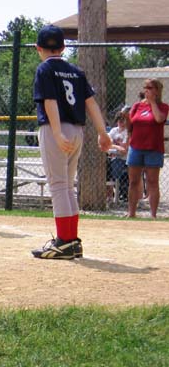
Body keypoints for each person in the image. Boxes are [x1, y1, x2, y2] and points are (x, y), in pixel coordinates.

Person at [31, 25, 111, 260]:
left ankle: (64, 242)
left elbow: (50, 101)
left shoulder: (44, 68)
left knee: (58, 186)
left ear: (39, 48)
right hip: (77, 130)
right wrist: (102, 132)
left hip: (56, 128)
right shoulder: (76, 71)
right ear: (63, 48)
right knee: (67, 186)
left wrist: (56, 133)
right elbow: (92, 103)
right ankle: (72, 240)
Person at [126, 78, 169, 218]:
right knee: (133, 181)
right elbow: (130, 126)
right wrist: (128, 140)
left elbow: (159, 119)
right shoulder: (137, 106)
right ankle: (131, 213)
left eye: (150, 88)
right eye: (145, 87)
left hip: (153, 148)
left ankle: (153, 215)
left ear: (156, 90)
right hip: (136, 147)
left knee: (152, 182)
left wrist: (151, 103)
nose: (146, 90)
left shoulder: (163, 106)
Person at [106, 108, 129, 203]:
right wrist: (117, 146)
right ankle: (110, 196)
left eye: (123, 120)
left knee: (114, 164)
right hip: (112, 157)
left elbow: (124, 151)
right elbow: (106, 143)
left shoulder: (127, 132)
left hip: (123, 159)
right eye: (119, 120)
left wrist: (112, 147)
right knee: (106, 166)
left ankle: (113, 196)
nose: (120, 122)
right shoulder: (114, 130)